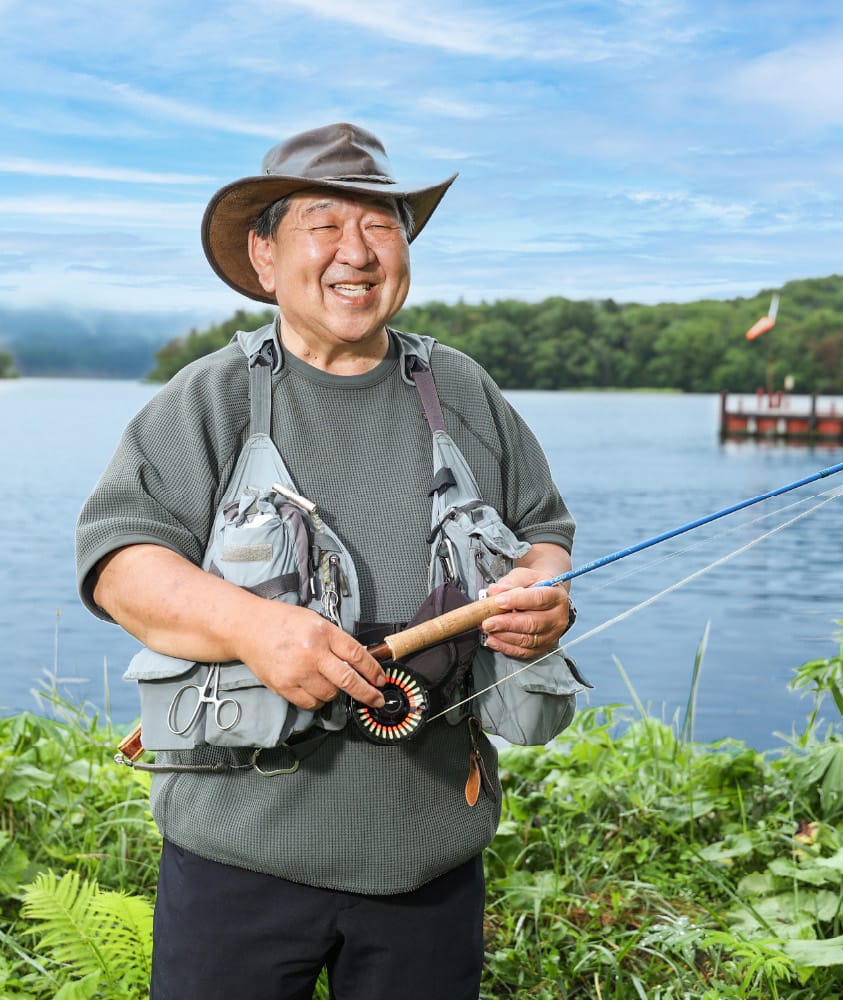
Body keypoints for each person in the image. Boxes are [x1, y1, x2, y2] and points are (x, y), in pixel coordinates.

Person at [75, 122, 583, 999]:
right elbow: (119, 565)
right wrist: (254, 627)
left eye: (382, 225)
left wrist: (542, 594)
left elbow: (543, 532)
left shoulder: (462, 389)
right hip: (233, 863)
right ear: (264, 255)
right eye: (325, 224)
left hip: (430, 863)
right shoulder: (211, 397)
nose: (358, 251)